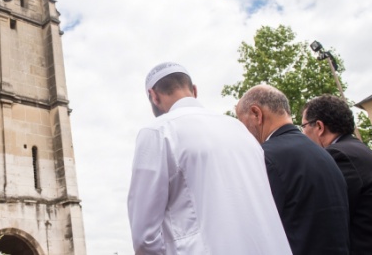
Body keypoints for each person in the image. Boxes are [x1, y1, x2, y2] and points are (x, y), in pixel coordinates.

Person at [127, 62, 291, 255]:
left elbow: (144, 238)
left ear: (153, 96)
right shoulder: (240, 130)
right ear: (194, 90)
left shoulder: (158, 131)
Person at [236, 85, 349, 255]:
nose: (243, 132)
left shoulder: (264, 157)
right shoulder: (324, 154)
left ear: (256, 114)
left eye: (242, 122)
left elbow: (254, 230)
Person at [302, 94, 372, 255]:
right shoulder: (358, 149)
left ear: (319, 127)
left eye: (304, 126)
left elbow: (327, 214)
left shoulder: (337, 156)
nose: (303, 134)